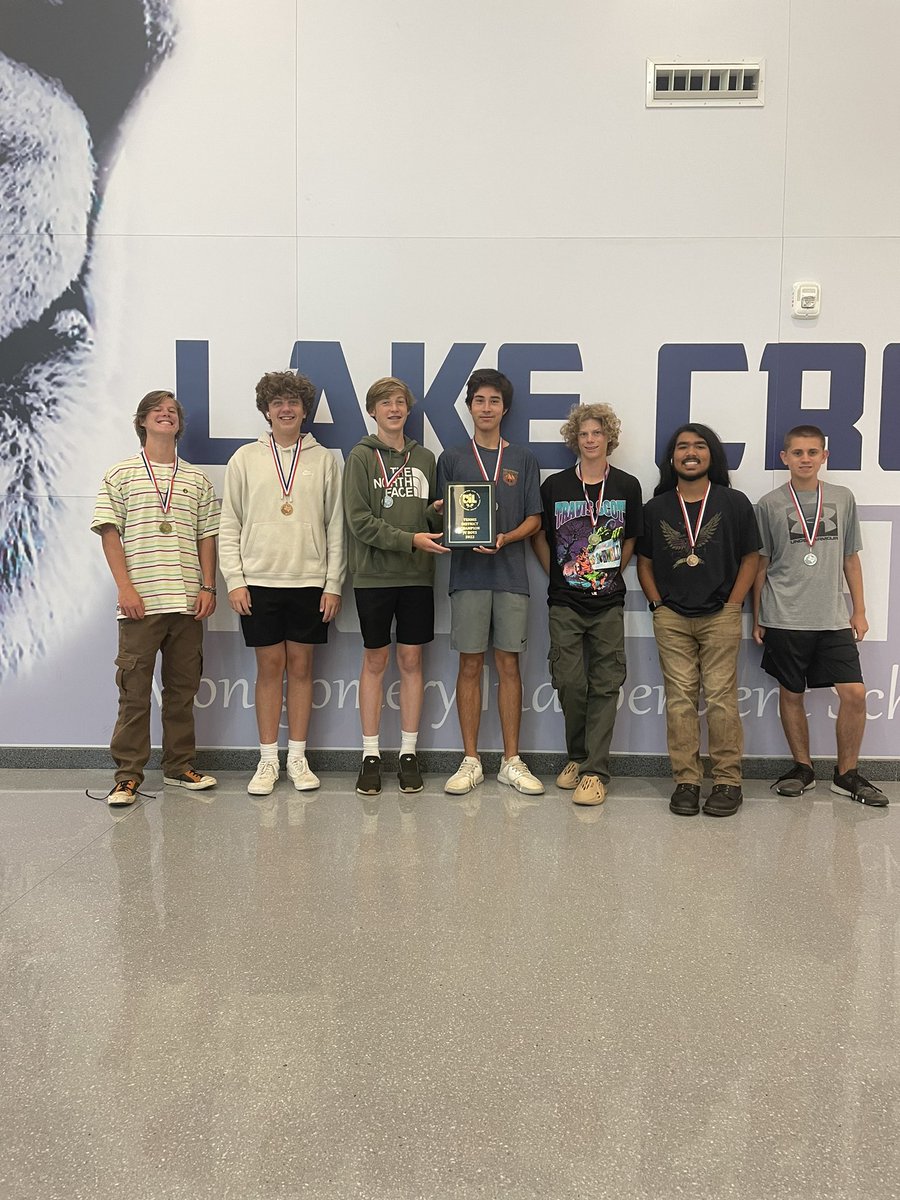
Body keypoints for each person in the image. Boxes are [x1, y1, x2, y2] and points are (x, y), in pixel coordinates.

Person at [219, 370, 345, 796]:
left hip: (310, 582)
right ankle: (268, 759)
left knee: (303, 669)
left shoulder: (325, 460)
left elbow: (335, 528)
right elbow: (229, 522)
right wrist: (235, 580)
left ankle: (298, 758)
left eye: (293, 401)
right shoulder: (244, 459)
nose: (286, 408)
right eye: (278, 403)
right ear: (267, 411)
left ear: (304, 409)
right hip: (258, 581)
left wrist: (332, 584)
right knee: (269, 669)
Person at [92, 389, 219, 805]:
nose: (166, 415)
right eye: (157, 411)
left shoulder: (197, 480)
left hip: (186, 603)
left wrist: (208, 586)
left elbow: (207, 538)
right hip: (140, 603)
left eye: (172, 412)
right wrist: (125, 588)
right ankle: (128, 776)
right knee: (133, 694)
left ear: (179, 424)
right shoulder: (120, 474)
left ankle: (179, 766)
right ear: (142, 421)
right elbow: (110, 534)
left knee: (183, 691)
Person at [752, 425, 886, 806]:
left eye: (813, 452)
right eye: (797, 453)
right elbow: (761, 564)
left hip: (831, 618)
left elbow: (850, 558)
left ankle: (847, 774)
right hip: (783, 615)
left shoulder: (842, 498)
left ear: (824, 456)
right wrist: (757, 615)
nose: (805, 459)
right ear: (785, 458)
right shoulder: (769, 504)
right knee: (791, 693)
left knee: (855, 694)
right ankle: (802, 768)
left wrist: (858, 610)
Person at [637, 423, 759, 817]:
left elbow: (751, 557)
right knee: (680, 702)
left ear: (712, 456)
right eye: (682, 447)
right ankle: (686, 780)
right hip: (672, 617)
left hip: (720, 614)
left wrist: (734, 604)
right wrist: (658, 605)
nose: (691, 452)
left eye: (700, 446)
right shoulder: (655, 507)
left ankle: (727, 781)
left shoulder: (734, 502)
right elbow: (645, 562)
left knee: (722, 700)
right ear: (671, 458)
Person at [436, 368, 544, 796]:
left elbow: (535, 519)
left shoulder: (523, 459)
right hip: (467, 576)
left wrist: (506, 538)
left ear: (505, 408)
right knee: (469, 664)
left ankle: (511, 761)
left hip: (512, 576)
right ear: (469, 407)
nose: (486, 408)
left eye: (494, 401)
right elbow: (444, 516)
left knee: (508, 666)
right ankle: (470, 761)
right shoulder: (452, 458)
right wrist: (444, 516)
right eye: (479, 400)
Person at [531, 403, 643, 806]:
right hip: (565, 601)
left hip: (608, 601)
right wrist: (557, 575)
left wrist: (613, 572)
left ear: (609, 438)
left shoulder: (627, 486)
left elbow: (631, 537)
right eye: (584, 434)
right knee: (570, 682)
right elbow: (539, 536)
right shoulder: (555, 487)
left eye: (598, 433)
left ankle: (596, 771)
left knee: (606, 684)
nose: (591, 440)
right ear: (574, 440)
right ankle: (577, 757)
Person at [342, 377, 448, 796]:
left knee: (411, 661)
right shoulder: (361, 457)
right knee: (374, 662)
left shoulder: (425, 458)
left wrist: (439, 515)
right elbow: (359, 521)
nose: (393, 408)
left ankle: (407, 753)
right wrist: (410, 540)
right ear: (373, 411)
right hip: (373, 576)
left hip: (418, 577)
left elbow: (431, 521)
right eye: (385, 403)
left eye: (400, 402)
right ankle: (370, 754)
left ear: (408, 409)